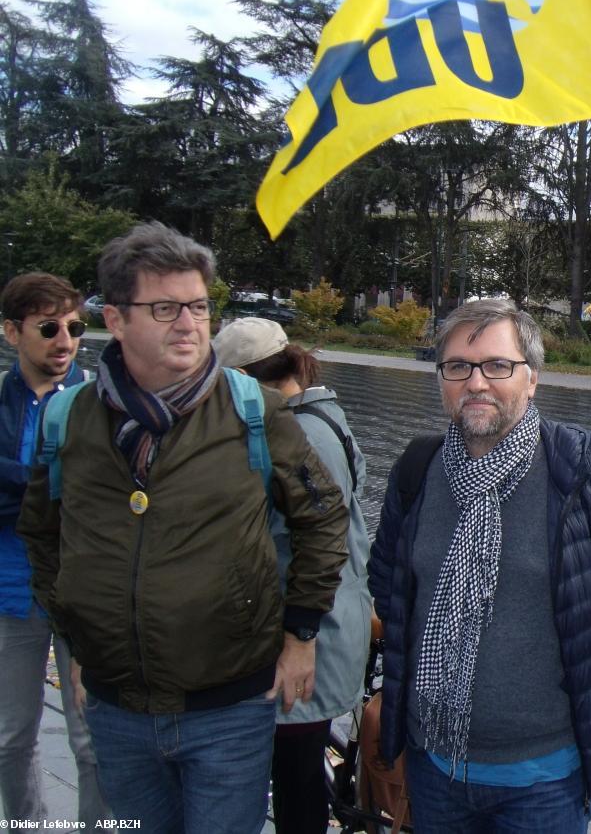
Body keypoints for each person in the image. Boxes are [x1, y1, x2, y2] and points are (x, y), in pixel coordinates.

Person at [17, 223, 350, 833]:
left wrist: (301, 632)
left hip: (229, 705)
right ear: (115, 320)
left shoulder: (255, 411)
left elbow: (324, 520)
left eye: (198, 306)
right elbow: (43, 532)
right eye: (165, 308)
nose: (189, 324)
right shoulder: (71, 421)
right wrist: (76, 634)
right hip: (118, 708)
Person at [368, 298, 591, 832]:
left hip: (544, 781)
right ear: (441, 378)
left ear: (532, 380)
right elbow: (388, 585)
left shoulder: (581, 475)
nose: (476, 382)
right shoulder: (416, 471)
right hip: (434, 767)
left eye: (498, 366)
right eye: (458, 367)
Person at [214, 317, 371, 834]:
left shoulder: (302, 434)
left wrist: (299, 634)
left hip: (312, 636)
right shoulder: (322, 415)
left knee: (297, 777)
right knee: (295, 769)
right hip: (327, 623)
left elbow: (313, 543)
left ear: (248, 382)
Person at [0, 273, 106, 827]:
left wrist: (20, 484)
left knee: (91, 741)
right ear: (12, 332)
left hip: (82, 594)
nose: (65, 340)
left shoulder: (97, 400)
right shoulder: (1, 397)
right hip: (11, 590)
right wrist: (45, 481)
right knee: (10, 738)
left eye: (74, 326)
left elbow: (98, 496)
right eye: (48, 327)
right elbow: (59, 492)